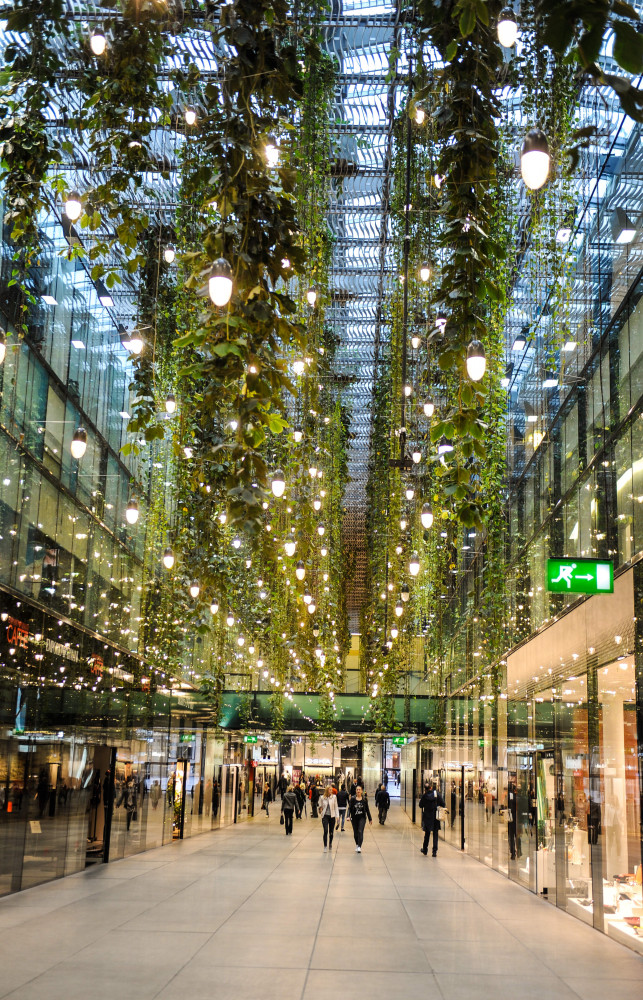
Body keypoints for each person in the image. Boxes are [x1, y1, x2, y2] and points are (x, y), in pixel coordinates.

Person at [419, 780, 444, 857]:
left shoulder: (424, 796)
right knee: (435, 834)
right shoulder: (437, 795)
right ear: (431, 787)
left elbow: (420, 805)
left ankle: (425, 849)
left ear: (425, 789)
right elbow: (443, 804)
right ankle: (434, 852)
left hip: (427, 817)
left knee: (427, 834)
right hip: (435, 817)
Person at [348, 785, 372, 853]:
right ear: (356, 791)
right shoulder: (352, 799)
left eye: (359, 790)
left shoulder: (364, 799)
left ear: (361, 791)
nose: (358, 791)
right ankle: (357, 844)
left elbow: (367, 809)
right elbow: (349, 808)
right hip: (354, 818)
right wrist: (348, 816)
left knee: (360, 831)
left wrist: (370, 819)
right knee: (355, 833)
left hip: (362, 818)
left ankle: (359, 846)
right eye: (357, 790)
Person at [319, 786, 339, 852]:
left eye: (332, 790)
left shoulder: (334, 797)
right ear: (327, 790)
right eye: (330, 790)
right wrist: (320, 810)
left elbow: (336, 807)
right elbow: (320, 806)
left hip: (332, 816)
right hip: (325, 816)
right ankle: (325, 846)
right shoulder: (322, 798)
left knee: (331, 831)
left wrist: (337, 816)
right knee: (325, 830)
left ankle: (330, 843)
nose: (331, 791)